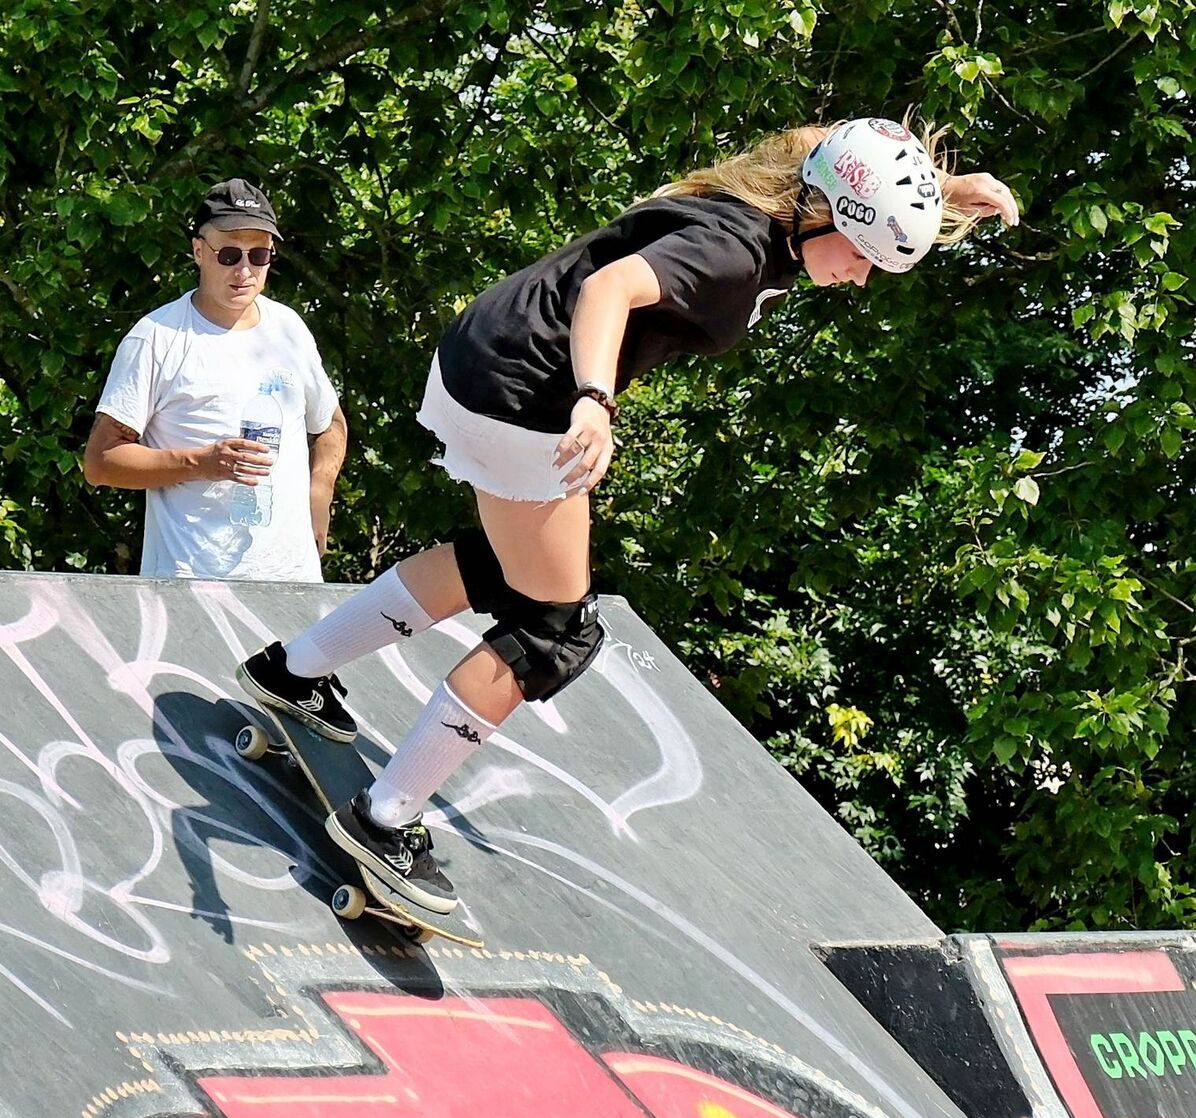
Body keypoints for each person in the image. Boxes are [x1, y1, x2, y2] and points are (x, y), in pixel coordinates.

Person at [237, 118, 1019, 915]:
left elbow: (837, 140)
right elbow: (611, 290)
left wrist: (944, 193)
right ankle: (383, 819)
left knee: (506, 567)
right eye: (862, 257)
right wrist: (595, 401)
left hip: (486, 354)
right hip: (530, 392)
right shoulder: (735, 253)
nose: (859, 279)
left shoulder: (782, 191)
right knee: (553, 628)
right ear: (825, 217)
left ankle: (290, 670)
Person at [83, 178, 348, 582]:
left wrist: (320, 490)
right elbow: (101, 462)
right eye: (228, 255)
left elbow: (330, 423)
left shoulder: (289, 328)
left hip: (292, 584)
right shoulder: (157, 337)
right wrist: (201, 462)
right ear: (198, 252)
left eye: (259, 255)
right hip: (191, 586)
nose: (244, 271)